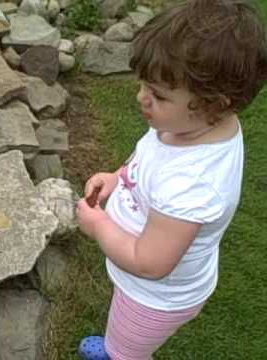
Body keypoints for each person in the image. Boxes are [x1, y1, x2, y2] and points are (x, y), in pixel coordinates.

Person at [75, 1, 267, 359]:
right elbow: (149, 157)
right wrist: (118, 178)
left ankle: (120, 352)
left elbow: (150, 262)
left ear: (214, 104)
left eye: (159, 95)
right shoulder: (187, 128)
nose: (140, 98)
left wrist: (99, 225)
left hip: (153, 298)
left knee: (126, 351)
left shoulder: (192, 185)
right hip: (144, 281)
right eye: (143, 85)